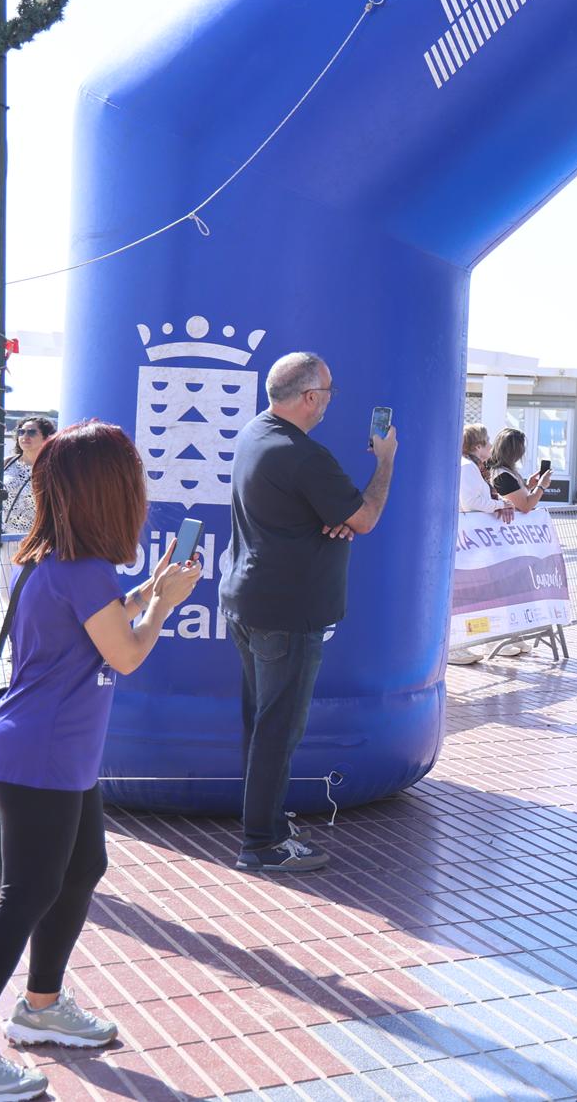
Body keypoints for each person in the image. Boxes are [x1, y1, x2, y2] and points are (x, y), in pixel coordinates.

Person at [0, 422, 201, 1102]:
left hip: (57, 752)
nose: (142, 490)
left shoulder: (68, 565)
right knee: (27, 895)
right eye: (133, 478)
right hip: (39, 755)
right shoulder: (81, 568)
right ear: (110, 491)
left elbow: (102, 624)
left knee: (81, 869)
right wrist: (164, 603)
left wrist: (148, 590)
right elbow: (125, 654)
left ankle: (41, 1005)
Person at [219, 352, 396, 874]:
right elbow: (364, 517)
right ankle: (263, 842)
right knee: (280, 727)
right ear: (310, 397)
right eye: (328, 393)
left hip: (249, 602)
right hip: (288, 612)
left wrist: (335, 518)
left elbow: (323, 513)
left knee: (263, 723)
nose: (329, 403)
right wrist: (384, 460)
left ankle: (266, 819)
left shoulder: (257, 433)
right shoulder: (304, 455)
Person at [0, 417, 55, 537]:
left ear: (46, 437)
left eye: (31, 432)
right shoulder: (6, 463)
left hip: (35, 540)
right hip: (2, 538)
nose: (25, 436)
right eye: (21, 432)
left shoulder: (52, 469)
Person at [487, 426, 552, 513]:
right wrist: (541, 486)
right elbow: (525, 506)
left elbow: (515, 498)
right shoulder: (502, 475)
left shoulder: (501, 471)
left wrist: (528, 486)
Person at [458, 425, 507, 518]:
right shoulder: (467, 466)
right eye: (488, 440)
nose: (491, 445)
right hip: (469, 529)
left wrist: (503, 502)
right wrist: (501, 505)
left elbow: (484, 496)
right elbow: (470, 504)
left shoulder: (475, 466)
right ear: (478, 446)